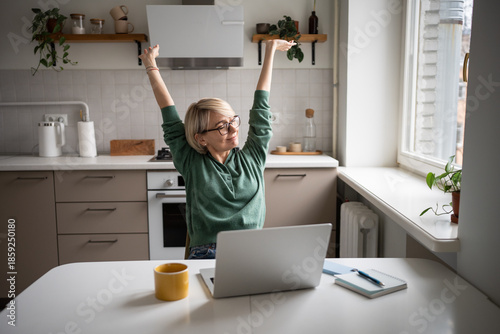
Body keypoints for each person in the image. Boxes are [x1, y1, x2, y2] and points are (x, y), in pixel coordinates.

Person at [139, 40, 295, 259]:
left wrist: (269, 51)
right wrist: (150, 64)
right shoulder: (191, 162)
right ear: (201, 139)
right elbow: (169, 113)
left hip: (253, 251)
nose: (233, 129)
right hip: (207, 252)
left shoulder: (253, 158)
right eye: (222, 126)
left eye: (233, 121)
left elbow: (261, 108)